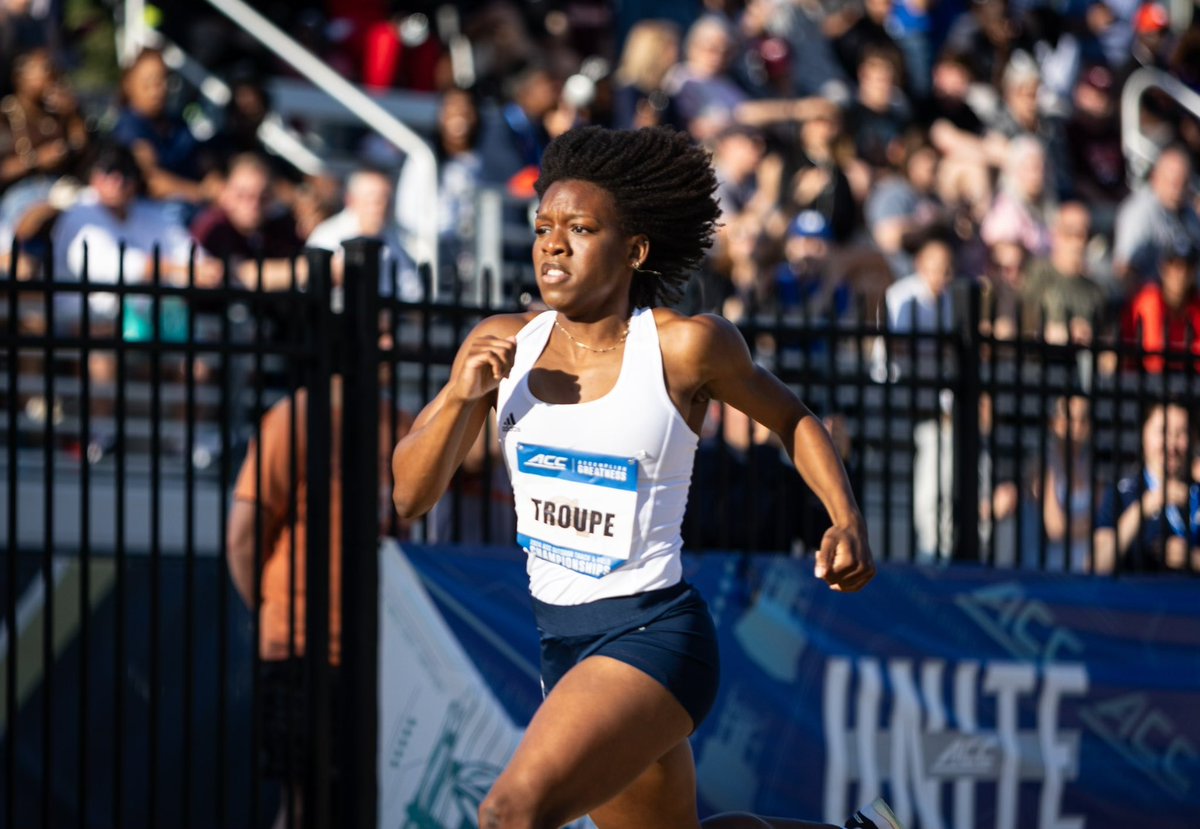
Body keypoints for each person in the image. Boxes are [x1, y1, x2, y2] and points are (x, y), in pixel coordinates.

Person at [390, 125, 899, 829]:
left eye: (580, 227)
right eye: (543, 227)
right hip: (561, 646)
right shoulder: (502, 342)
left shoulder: (685, 346)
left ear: (634, 249)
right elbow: (409, 495)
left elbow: (791, 417)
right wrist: (458, 397)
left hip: (653, 633)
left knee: (510, 813)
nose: (553, 243)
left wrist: (844, 518)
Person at [1094, 401, 1200, 573]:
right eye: (1163, 432)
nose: (1171, 444)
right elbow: (1096, 565)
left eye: (1181, 433)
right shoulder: (1122, 494)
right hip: (1138, 599)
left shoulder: (1197, 491)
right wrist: (1144, 508)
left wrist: (1194, 559)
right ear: (1144, 434)